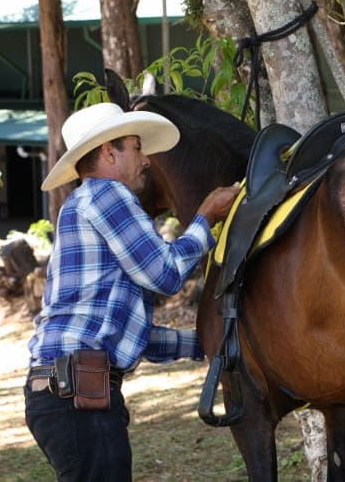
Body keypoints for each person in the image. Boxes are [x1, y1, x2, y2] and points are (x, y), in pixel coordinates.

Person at [25, 102, 240, 481]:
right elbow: (166, 273)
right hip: (78, 392)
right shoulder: (107, 195)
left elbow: (126, 335)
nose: (146, 161)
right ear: (109, 151)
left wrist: (204, 342)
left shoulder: (85, 204)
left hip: (67, 390)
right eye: (137, 148)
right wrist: (205, 218)